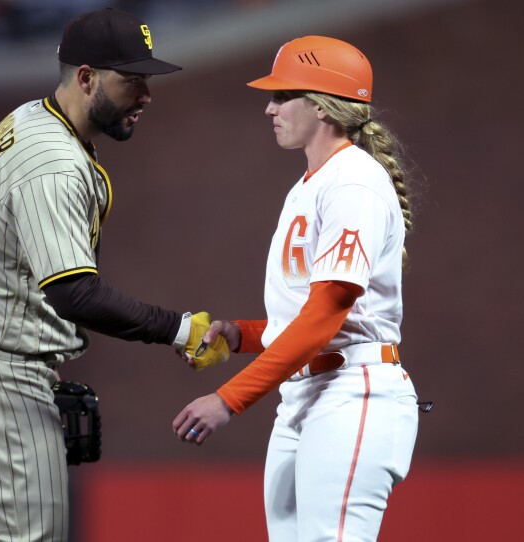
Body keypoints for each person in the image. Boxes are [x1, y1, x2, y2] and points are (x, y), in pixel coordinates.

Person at [0, 8, 227, 542]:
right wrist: (179, 329)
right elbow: (73, 291)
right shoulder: (53, 161)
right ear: (86, 78)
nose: (146, 95)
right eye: (132, 80)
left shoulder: (31, 117)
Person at [172, 36, 420, 541]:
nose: (270, 107)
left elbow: (328, 312)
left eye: (283, 95)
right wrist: (240, 335)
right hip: (308, 393)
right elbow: (311, 319)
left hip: (353, 392)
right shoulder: (312, 182)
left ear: (324, 104)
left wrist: (229, 399)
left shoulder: (352, 182)